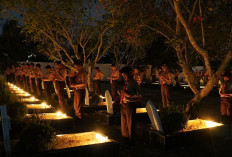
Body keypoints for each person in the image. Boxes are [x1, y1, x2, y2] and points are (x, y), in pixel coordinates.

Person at [118, 66, 141, 150]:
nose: (124, 76)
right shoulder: (127, 82)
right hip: (124, 105)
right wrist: (122, 93)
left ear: (129, 73)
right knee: (124, 124)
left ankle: (131, 143)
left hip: (129, 105)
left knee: (130, 124)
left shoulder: (132, 82)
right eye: (123, 75)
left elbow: (131, 95)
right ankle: (126, 141)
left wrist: (124, 93)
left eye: (125, 75)